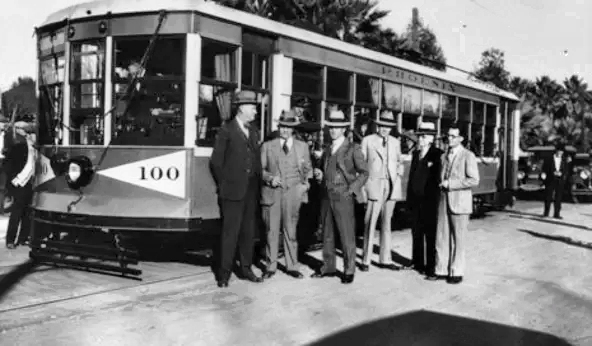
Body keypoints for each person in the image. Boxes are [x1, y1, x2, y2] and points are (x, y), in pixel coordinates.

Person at [210, 90, 263, 288]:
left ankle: (246, 269)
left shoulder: (253, 131)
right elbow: (216, 162)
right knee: (230, 233)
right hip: (232, 192)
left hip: (250, 190)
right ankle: (223, 274)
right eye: (253, 107)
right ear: (242, 108)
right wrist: (224, 184)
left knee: (248, 232)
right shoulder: (227, 130)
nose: (255, 111)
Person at [311, 110, 368, 284]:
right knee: (327, 233)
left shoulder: (353, 148)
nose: (333, 130)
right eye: (331, 127)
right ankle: (328, 267)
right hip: (326, 195)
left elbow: (365, 172)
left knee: (346, 234)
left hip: (343, 196)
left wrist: (352, 189)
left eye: (337, 127)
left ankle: (349, 269)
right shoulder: (328, 148)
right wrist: (320, 173)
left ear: (344, 129)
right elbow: (327, 169)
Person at [260, 110, 312, 279]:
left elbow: (307, 169)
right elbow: (258, 170)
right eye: (282, 126)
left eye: (288, 127)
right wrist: (269, 178)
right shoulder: (268, 146)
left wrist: (305, 185)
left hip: (293, 194)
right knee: (271, 231)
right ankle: (271, 266)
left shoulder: (302, 147)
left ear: (293, 129)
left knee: (290, 231)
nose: (284, 130)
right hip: (272, 193)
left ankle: (292, 266)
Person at [428, 125, 479, 284]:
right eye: (448, 136)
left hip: (460, 202)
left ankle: (457, 271)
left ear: (460, 138)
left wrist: (451, 183)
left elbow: (474, 180)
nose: (449, 139)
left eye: (453, 136)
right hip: (444, 200)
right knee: (441, 236)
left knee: (458, 238)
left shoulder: (468, 156)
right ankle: (441, 269)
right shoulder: (443, 156)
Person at [359, 110, 404, 272]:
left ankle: (385, 260)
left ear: (391, 128)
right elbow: (361, 166)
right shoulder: (367, 141)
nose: (384, 129)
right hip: (373, 186)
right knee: (370, 223)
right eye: (382, 126)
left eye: (388, 126)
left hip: (391, 187)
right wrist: (363, 188)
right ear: (377, 126)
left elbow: (399, 161)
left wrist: (398, 173)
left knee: (387, 223)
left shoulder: (395, 142)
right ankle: (366, 260)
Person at [406, 122, 443, 276]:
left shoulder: (437, 154)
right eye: (419, 136)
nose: (420, 139)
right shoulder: (416, 154)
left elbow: (436, 180)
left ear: (431, 138)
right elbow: (411, 178)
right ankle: (417, 262)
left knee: (430, 234)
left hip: (429, 202)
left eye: (424, 136)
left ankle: (431, 268)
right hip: (415, 201)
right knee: (416, 232)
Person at [4, 119, 37, 249]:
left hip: (31, 183)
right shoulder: (18, 147)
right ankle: (10, 240)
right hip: (19, 183)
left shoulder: (36, 149)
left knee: (28, 213)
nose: (33, 136)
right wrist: (13, 181)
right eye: (31, 133)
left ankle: (23, 238)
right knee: (16, 213)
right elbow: (8, 165)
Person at [541, 142, 570, 219]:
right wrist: (552, 172)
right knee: (548, 197)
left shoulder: (564, 159)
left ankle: (556, 214)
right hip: (550, 179)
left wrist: (561, 173)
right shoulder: (549, 159)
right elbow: (544, 169)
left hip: (559, 180)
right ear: (556, 151)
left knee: (558, 197)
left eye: (562, 152)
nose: (560, 153)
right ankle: (546, 213)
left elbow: (566, 170)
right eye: (559, 151)